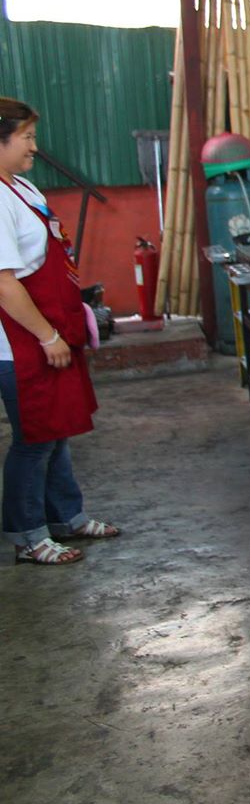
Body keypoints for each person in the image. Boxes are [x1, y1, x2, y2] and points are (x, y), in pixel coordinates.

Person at [0, 98, 116, 564]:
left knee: (56, 429)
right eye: (26, 137)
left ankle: (66, 517)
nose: (34, 146)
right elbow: (5, 284)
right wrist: (47, 336)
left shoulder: (22, 189)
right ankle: (28, 534)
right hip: (18, 341)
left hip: (47, 328)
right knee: (34, 439)